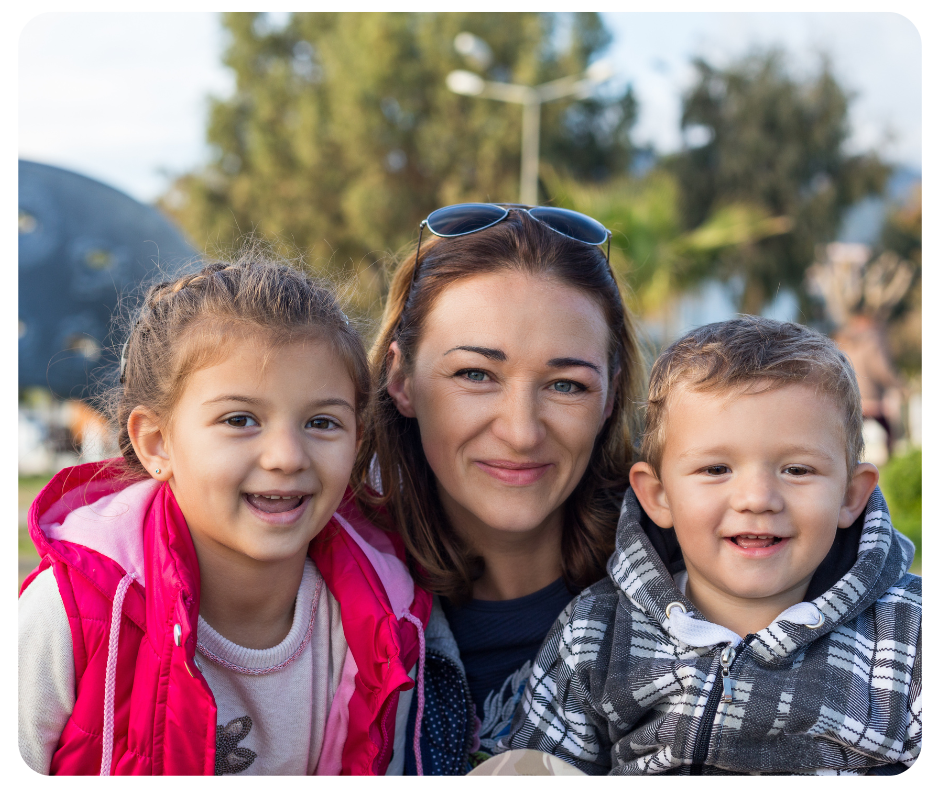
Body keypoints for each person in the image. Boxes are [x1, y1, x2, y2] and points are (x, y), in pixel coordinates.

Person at [18, 257, 431, 776]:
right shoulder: (75, 610)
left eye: (322, 422)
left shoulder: (384, 617)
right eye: (240, 419)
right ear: (157, 443)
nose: (286, 456)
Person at [507, 316, 921, 775]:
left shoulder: (904, 633)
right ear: (659, 495)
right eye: (716, 469)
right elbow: (539, 762)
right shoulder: (597, 632)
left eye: (797, 470)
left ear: (850, 495)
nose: (757, 499)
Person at [352, 204, 644, 774]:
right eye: (475, 375)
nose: (520, 431)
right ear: (401, 378)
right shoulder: (317, 598)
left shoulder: (693, 591)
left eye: (566, 384)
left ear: (610, 397)